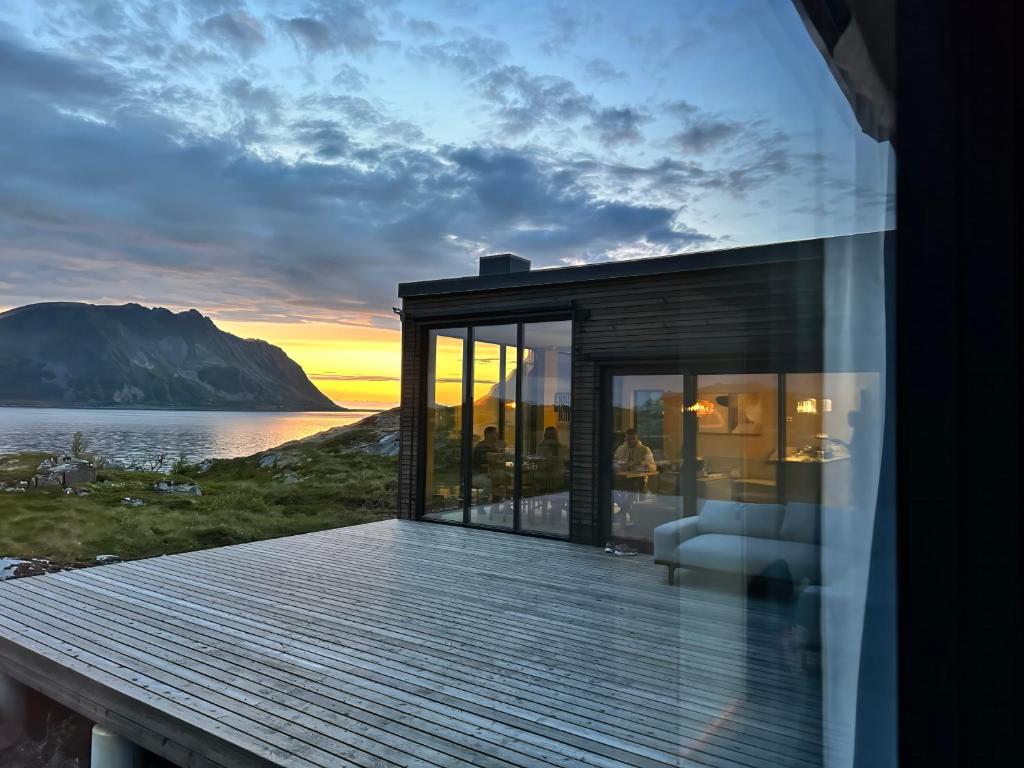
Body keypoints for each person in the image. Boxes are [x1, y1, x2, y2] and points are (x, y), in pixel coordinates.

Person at [471, 426, 506, 503]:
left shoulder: (493, 447)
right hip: (477, 475)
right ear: (488, 435)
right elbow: (488, 461)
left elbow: (499, 460)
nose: (497, 435)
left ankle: (496, 505)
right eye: (495, 433)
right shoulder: (481, 447)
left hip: (490, 474)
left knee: (504, 480)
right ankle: (482, 503)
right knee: (490, 482)